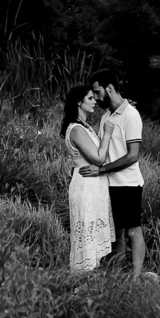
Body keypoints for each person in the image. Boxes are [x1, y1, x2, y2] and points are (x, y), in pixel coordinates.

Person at [80, 69, 149, 277]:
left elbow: (132, 156)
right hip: (108, 185)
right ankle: (116, 278)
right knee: (115, 234)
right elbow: (102, 149)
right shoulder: (106, 117)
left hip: (128, 184)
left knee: (132, 230)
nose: (97, 96)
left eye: (98, 91)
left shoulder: (131, 115)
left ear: (109, 88)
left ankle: (136, 280)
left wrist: (101, 170)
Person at [60, 84, 115, 271]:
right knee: (86, 235)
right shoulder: (76, 129)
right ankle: (82, 282)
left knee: (94, 234)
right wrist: (107, 134)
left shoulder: (85, 127)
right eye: (90, 98)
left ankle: (91, 282)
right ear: (78, 101)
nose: (95, 101)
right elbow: (98, 158)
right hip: (85, 186)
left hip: (95, 187)